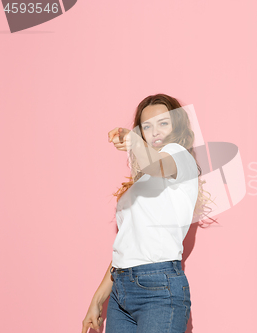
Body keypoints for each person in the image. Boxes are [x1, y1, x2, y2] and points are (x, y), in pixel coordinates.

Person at [82, 94, 206, 333]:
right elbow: (127, 247)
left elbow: (160, 163)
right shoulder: (141, 183)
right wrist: (97, 301)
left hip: (159, 288)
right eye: (146, 126)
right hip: (120, 291)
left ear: (176, 126)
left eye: (163, 123)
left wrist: (135, 142)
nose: (155, 132)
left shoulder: (181, 157)